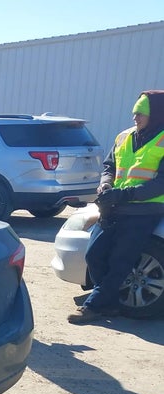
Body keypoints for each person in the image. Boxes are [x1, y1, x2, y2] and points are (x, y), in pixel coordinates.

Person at [68, 90, 164, 324]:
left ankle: (93, 306)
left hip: (143, 211)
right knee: (94, 254)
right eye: (134, 113)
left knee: (122, 260)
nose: (135, 118)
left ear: (157, 114)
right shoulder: (124, 136)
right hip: (114, 207)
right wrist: (105, 185)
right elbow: (110, 166)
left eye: (141, 114)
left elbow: (161, 182)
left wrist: (126, 194)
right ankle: (109, 303)